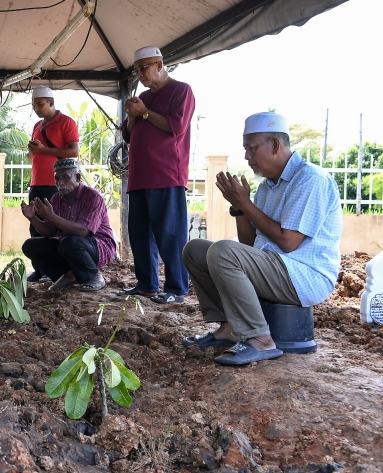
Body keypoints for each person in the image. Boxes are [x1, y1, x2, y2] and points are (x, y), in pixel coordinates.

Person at [182, 112, 342, 366]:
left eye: (252, 148)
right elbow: (248, 245)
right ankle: (229, 328)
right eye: (245, 149)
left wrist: (245, 202)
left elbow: (289, 242)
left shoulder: (311, 179)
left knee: (223, 251)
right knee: (196, 250)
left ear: (275, 145)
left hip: (306, 275)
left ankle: (259, 339)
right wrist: (239, 207)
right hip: (276, 267)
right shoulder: (267, 187)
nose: (247, 157)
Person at [120, 46, 196, 304]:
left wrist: (143, 112)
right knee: (139, 233)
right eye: (137, 69)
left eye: (145, 67)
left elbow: (176, 127)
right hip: (139, 176)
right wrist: (133, 115)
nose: (140, 73)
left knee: (170, 234)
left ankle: (177, 288)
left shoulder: (181, 90)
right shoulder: (143, 96)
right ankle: (147, 284)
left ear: (160, 64)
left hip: (166, 174)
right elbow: (129, 135)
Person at [21, 159, 116, 292]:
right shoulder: (56, 199)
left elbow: (83, 231)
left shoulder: (92, 196)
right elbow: (50, 232)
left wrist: (51, 216)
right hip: (69, 246)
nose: (60, 183)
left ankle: (94, 276)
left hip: (98, 246)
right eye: (57, 179)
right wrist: (33, 218)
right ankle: (69, 276)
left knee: (69, 243)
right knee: (30, 246)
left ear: (77, 177)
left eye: (65, 177)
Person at [26, 87, 79, 282]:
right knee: (35, 226)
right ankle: (39, 269)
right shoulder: (37, 126)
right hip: (36, 182)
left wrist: (44, 149)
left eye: (40, 104)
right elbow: (33, 156)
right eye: (34, 105)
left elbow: (73, 152)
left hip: (55, 184)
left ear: (51, 102)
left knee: (53, 226)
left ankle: (53, 269)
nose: (37, 108)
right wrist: (32, 151)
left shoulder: (66, 122)